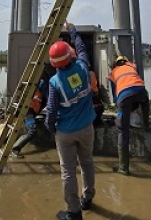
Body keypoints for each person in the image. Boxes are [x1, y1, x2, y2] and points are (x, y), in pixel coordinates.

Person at [45, 22, 97, 220]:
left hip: (65, 132)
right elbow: (82, 48)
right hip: (87, 127)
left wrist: (52, 129)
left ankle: (74, 212)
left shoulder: (54, 83)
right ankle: (88, 198)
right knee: (87, 163)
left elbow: (51, 110)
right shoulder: (83, 67)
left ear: (53, 63)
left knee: (68, 171)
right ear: (70, 55)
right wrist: (72, 30)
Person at [108, 54, 150, 176]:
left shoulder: (113, 73)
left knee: (123, 130)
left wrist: (122, 111)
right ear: (125, 61)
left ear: (116, 64)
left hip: (124, 96)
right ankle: (146, 126)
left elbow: (115, 96)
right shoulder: (132, 66)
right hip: (141, 91)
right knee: (145, 103)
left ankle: (123, 168)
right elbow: (135, 82)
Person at [11, 62, 54, 157]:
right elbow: (16, 98)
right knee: (32, 130)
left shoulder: (41, 84)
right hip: (27, 111)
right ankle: (15, 149)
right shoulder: (26, 85)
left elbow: (48, 99)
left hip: (33, 111)